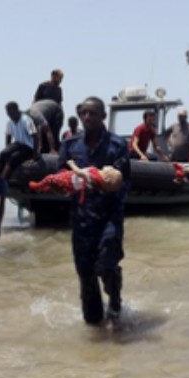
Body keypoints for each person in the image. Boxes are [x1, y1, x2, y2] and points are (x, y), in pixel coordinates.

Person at [58, 96, 131, 326]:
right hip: (81, 220)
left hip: (109, 217)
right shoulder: (70, 146)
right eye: (84, 113)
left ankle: (115, 299)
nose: (87, 117)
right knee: (86, 273)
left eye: (93, 113)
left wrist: (101, 181)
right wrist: (66, 184)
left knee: (106, 265)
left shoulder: (117, 146)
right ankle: (94, 324)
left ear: (103, 116)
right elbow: (61, 176)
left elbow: (123, 182)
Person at [28, 159, 123, 204]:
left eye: (112, 169)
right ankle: (46, 188)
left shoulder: (92, 177)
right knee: (57, 179)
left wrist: (72, 164)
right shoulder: (96, 176)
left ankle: (38, 186)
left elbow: (79, 173)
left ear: (106, 178)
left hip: (69, 182)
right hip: (70, 179)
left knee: (50, 178)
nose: (111, 167)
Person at [0, 101, 40, 179]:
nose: (10, 116)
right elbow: (8, 136)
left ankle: (4, 179)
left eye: (12, 113)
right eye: (8, 114)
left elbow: (35, 137)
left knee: (14, 157)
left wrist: (35, 154)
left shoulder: (26, 120)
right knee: (3, 154)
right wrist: (7, 148)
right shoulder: (9, 122)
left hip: (28, 146)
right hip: (18, 144)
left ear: (17, 110)